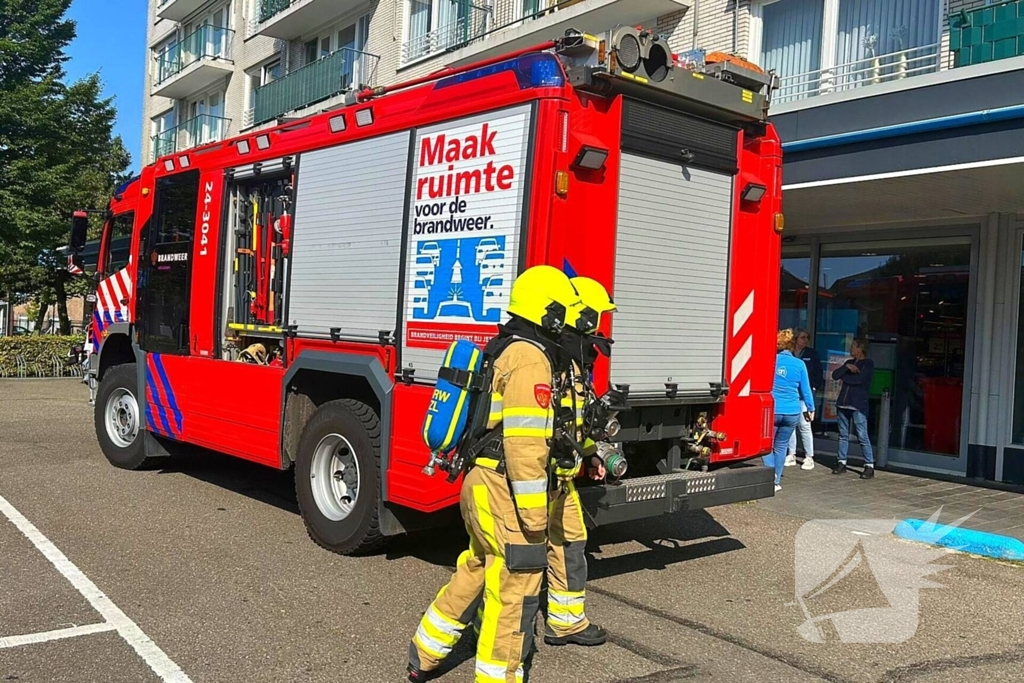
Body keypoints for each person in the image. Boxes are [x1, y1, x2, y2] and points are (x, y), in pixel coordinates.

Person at [408, 265, 583, 683]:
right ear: (551, 314)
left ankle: (425, 652)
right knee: (516, 587)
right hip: (506, 489)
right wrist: (535, 516)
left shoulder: (508, 347)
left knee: (478, 565)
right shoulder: (530, 360)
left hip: (483, 483)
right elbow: (525, 445)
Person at [541, 275, 616, 648]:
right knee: (508, 559)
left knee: (571, 541)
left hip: (560, 480)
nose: (600, 328)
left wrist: (592, 455)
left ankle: (566, 622)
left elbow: (572, 423)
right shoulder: (544, 363)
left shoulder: (572, 367)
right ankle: (488, 626)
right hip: (532, 481)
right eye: (596, 318)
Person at [767, 329, 813, 492]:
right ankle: (776, 481)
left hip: (773, 410)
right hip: (792, 411)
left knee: (767, 445)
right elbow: (806, 389)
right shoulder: (800, 364)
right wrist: (811, 407)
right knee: (781, 447)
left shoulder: (770, 361)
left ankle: (769, 475)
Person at [831, 337, 875, 479]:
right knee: (843, 435)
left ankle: (869, 464)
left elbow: (859, 380)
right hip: (843, 403)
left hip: (857, 404)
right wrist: (846, 368)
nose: (851, 349)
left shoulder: (868, 364)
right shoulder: (849, 362)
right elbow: (835, 375)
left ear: (860, 349)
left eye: (853, 347)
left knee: (862, 435)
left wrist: (846, 378)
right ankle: (841, 461)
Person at [785, 328, 823, 470]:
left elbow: (818, 372)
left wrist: (813, 388)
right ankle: (792, 454)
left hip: (804, 396)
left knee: (805, 425)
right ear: (795, 339)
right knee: (790, 426)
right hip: (791, 395)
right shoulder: (788, 354)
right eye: (802, 337)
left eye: (807, 337)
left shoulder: (811, 354)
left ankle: (809, 456)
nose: (805, 340)